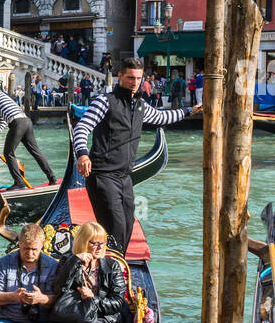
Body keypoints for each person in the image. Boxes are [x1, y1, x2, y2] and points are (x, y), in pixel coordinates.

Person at [73, 56, 200, 254]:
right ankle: (107, 270)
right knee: (115, 227)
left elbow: (161, 117)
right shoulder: (105, 101)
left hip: (124, 178)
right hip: (102, 175)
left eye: (138, 78)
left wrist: (189, 111)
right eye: (130, 78)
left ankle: (115, 268)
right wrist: (82, 154)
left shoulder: (140, 106)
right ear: (120, 76)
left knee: (128, 226)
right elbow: (82, 128)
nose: (134, 83)